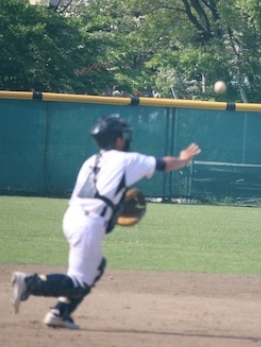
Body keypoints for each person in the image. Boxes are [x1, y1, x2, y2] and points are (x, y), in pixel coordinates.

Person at [11, 113, 201, 329]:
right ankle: (28, 283)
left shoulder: (91, 161)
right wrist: (183, 159)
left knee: (96, 267)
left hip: (73, 217)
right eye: (123, 135)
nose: (126, 139)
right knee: (79, 283)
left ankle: (59, 314)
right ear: (117, 139)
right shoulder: (126, 159)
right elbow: (164, 164)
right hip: (88, 224)